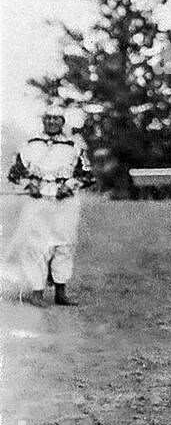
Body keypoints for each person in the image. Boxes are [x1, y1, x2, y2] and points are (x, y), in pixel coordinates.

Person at [3, 105, 94, 306]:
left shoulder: (74, 146)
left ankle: (61, 292)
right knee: (35, 245)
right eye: (48, 118)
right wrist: (30, 184)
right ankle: (37, 292)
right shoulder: (29, 145)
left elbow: (87, 175)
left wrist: (69, 186)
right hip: (38, 202)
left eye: (56, 118)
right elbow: (14, 173)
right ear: (43, 120)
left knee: (65, 244)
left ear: (63, 122)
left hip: (65, 203)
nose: (52, 122)